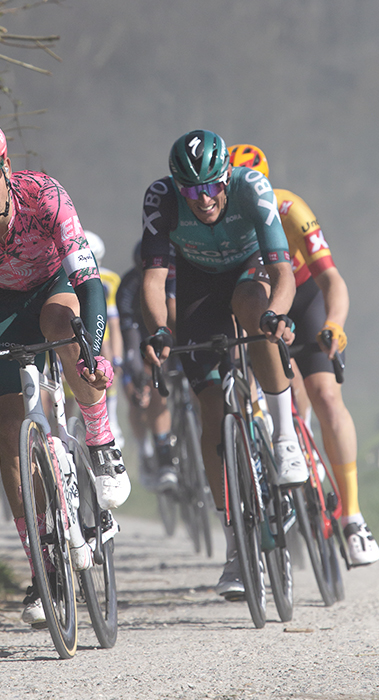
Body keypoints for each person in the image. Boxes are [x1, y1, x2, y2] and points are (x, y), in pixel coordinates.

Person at [0, 116, 130, 628]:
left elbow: (90, 282)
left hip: (56, 284)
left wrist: (95, 348)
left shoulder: (44, 195)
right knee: (10, 433)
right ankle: (44, 568)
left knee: (62, 328)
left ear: (6, 168)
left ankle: (102, 446)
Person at [140, 129, 308, 600]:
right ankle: (237, 548)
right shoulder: (161, 198)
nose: (204, 199)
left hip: (250, 269)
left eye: (212, 186)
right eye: (191, 190)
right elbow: (154, 280)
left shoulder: (252, 187)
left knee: (255, 307)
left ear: (226, 177)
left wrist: (277, 313)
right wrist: (159, 330)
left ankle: (283, 435)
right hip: (197, 283)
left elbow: (282, 271)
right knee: (210, 408)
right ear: (177, 187)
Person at [228, 143, 379, 566]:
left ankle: (352, 516)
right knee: (279, 389)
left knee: (328, 396)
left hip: (303, 297)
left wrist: (335, 323)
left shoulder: (290, 208)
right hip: (256, 303)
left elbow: (332, 279)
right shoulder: (221, 222)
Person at [117, 242, 179, 491]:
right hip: (142, 338)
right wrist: (134, 367)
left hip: (172, 333)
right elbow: (127, 330)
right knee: (148, 389)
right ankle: (154, 454)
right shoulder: (129, 286)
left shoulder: (176, 277)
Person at [84, 231, 125, 448]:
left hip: (100, 331)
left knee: (107, 354)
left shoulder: (109, 280)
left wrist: (116, 357)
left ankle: (113, 417)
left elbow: (114, 322)